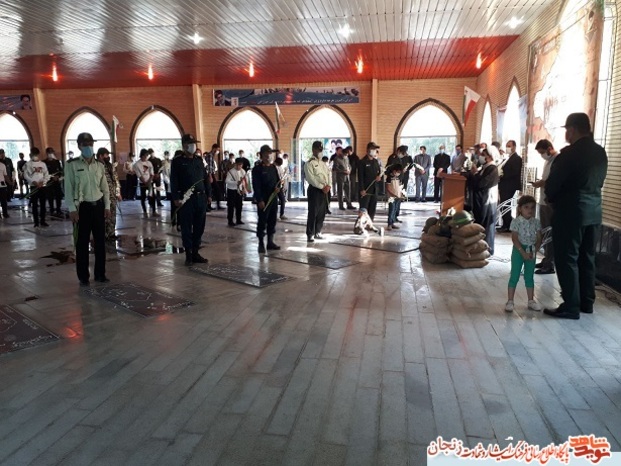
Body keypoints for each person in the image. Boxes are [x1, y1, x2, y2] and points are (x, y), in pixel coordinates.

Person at [543, 113, 608, 320]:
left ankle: (571, 305)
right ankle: (587, 303)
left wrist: (552, 199)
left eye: (566, 130)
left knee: (567, 257)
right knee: (587, 257)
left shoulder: (568, 154)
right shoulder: (600, 152)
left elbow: (553, 185)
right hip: (594, 212)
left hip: (570, 213)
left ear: (571, 130)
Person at [64, 132, 111, 286]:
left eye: (91, 144)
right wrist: (72, 209)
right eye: (85, 145)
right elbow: (68, 188)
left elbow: (105, 188)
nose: (89, 147)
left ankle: (100, 274)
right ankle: (83, 276)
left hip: (98, 206)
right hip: (82, 208)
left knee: (100, 243)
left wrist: (107, 206)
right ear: (79, 146)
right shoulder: (72, 165)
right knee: (82, 243)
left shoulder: (100, 165)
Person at [170, 134, 209, 266]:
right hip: (186, 199)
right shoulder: (177, 162)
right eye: (191, 143)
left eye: (194, 143)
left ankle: (195, 252)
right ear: (184, 145)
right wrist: (175, 197)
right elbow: (174, 181)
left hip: (200, 197)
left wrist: (209, 194)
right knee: (186, 227)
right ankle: (188, 254)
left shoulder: (199, 160)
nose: (193, 146)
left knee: (199, 226)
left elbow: (205, 178)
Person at [505, 195, 543, 312]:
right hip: (518, 250)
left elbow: (539, 238)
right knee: (515, 275)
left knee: (529, 276)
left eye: (532, 207)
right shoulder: (516, 222)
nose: (529, 210)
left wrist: (534, 250)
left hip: (531, 251)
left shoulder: (536, 222)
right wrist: (522, 252)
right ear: (520, 208)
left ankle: (531, 301)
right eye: (526, 207)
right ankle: (510, 301)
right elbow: (514, 238)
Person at [532, 139, 558, 275]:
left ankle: (550, 264)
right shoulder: (548, 161)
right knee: (544, 232)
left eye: (542, 152)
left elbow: (553, 181)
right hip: (543, 200)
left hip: (550, 203)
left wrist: (541, 183)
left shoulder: (557, 160)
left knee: (549, 233)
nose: (542, 155)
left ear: (549, 148)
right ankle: (546, 259)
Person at [467, 148, 499, 255]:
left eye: (483, 154)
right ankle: (480, 249)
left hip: (488, 202)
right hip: (481, 202)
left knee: (487, 226)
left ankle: (487, 249)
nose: (481, 157)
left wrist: (475, 173)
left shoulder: (492, 169)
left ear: (489, 156)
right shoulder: (485, 168)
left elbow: (481, 184)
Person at [252, 145, 281, 253]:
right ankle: (261, 243)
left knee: (272, 220)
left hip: (273, 198)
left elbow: (278, 181)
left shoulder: (273, 167)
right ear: (262, 155)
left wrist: (278, 188)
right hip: (263, 199)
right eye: (266, 154)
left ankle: (270, 242)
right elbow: (256, 186)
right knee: (262, 221)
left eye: (270, 154)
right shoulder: (257, 169)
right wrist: (259, 200)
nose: (268, 156)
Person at [304, 141, 331, 242]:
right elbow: (311, 179)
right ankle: (310, 234)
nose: (320, 152)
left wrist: (329, 185)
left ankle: (318, 231)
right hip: (315, 190)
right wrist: (322, 187)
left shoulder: (323, 163)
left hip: (325, 190)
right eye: (317, 150)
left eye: (321, 150)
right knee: (313, 212)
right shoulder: (309, 163)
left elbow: (328, 175)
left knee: (321, 212)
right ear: (313, 150)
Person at [497, 140, 523, 232]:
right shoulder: (508, 158)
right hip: (504, 185)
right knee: (503, 205)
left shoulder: (517, 158)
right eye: (506, 146)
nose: (507, 148)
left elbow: (514, 172)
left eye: (509, 146)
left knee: (505, 205)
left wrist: (502, 175)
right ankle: (505, 224)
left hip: (509, 185)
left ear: (514, 147)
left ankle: (508, 225)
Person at [96, 148, 121, 240]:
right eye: (106, 155)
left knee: (112, 215)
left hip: (112, 195)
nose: (108, 157)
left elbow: (116, 180)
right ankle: (103, 234)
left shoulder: (110, 166)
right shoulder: (96, 166)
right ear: (100, 156)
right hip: (101, 196)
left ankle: (111, 233)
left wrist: (118, 193)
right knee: (103, 215)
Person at [24, 148, 50, 228]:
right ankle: (36, 222)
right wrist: (33, 182)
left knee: (43, 204)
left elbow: (47, 175)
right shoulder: (28, 164)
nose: (34, 156)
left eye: (36, 154)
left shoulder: (43, 164)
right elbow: (26, 175)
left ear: (38, 154)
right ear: (31, 154)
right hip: (33, 186)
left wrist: (43, 182)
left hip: (42, 186)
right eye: (33, 154)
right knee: (34, 205)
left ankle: (43, 221)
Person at [358, 142, 382, 220]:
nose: (374, 151)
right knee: (364, 209)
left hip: (374, 189)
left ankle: (370, 222)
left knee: (372, 209)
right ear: (368, 150)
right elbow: (360, 177)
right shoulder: (362, 162)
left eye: (375, 149)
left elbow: (379, 172)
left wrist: (379, 177)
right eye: (373, 149)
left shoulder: (375, 161)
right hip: (366, 190)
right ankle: (362, 224)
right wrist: (362, 189)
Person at [134, 149, 158, 217]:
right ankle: (145, 212)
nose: (146, 157)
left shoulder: (149, 163)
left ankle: (154, 211)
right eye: (145, 155)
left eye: (147, 155)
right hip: (142, 183)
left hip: (150, 182)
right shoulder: (136, 164)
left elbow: (152, 173)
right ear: (141, 155)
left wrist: (149, 181)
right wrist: (144, 182)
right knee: (143, 197)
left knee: (152, 196)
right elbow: (139, 175)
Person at [42, 147, 63, 217]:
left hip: (57, 182)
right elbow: (43, 173)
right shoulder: (44, 163)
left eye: (51, 152)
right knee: (50, 196)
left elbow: (60, 171)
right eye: (49, 152)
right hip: (49, 182)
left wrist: (58, 176)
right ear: (46, 153)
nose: (50, 154)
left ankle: (58, 209)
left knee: (58, 196)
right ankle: (51, 210)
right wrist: (51, 177)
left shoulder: (57, 162)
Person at [225, 158, 247, 227]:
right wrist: (236, 182)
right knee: (231, 206)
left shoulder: (243, 171)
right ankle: (230, 221)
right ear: (235, 164)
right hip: (231, 190)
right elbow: (227, 181)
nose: (239, 166)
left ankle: (238, 219)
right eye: (238, 165)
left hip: (239, 191)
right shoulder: (231, 172)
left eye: (241, 165)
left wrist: (244, 189)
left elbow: (244, 181)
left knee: (239, 205)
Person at [385, 163, 404, 230]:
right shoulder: (389, 178)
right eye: (397, 172)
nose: (398, 173)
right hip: (391, 197)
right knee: (391, 210)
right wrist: (393, 195)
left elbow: (399, 187)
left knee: (395, 210)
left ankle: (393, 223)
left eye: (399, 172)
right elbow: (387, 188)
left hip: (398, 196)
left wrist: (401, 194)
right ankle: (389, 224)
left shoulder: (398, 178)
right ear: (394, 170)